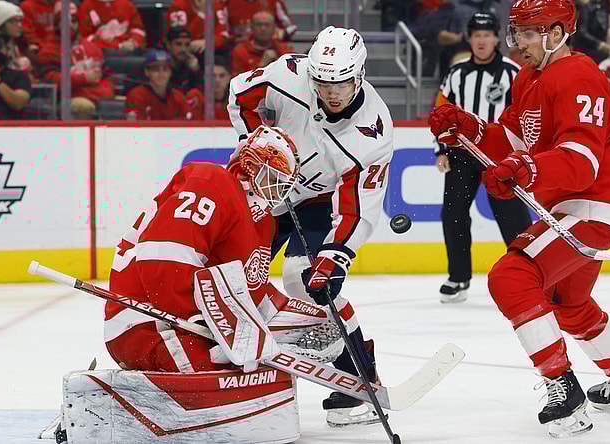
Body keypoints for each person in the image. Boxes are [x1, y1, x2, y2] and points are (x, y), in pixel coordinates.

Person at [428, 0, 610, 438]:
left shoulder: (580, 76)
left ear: (557, 33)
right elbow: (513, 138)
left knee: (511, 277)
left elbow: (582, 161)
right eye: (517, 33)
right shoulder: (530, 77)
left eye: (529, 34)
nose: (519, 43)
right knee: (568, 304)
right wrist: (468, 127)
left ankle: (562, 388)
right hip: (571, 204)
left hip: (597, 202)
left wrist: (527, 169)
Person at [229, 26, 394, 427]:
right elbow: (239, 94)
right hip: (266, 189)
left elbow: (358, 210)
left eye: (340, 83)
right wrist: (259, 142)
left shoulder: (373, 132)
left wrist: (334, 257)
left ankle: (357, 371)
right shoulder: (289, 74)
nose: (331, 92)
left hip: (316, 201)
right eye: (322, 82)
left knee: (306, 281)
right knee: (233, 276)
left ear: (359, 75)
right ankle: (229, 370)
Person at [106, 124, 343, 376]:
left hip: (192, 325)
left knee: (261, 372)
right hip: (147, 323)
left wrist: (306, 319)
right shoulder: (210, 181)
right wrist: (207, 324)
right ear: (250, 165)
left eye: (283, 184)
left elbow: (251, 292)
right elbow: (165, 261)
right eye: (274, 178)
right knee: (238, 375)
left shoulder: (262, 222)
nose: (279, 190)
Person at [434, 12, 532, 304]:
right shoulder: (456, 73)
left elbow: (526, 115)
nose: (481, 40)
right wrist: (441, 149)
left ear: (496, 38)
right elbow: (440, 114)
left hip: (501, 157)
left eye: (487, 34)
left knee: (513, 217)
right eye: (476, 35)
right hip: (462, 154)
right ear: (470, 38)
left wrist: (522, 153)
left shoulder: (514, 73)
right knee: (453, 214)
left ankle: (531, 274)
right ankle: (459, 276)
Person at [38, 0, 113, 120]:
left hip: (95, 95)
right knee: (83, 106)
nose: (70, 25)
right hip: (68, 98)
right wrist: (83, 78)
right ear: (57, 24)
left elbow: (106, 76)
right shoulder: (48, 51)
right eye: (64, 21)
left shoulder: (92, 47)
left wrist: (107, 92)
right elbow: (52, 81)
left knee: (117, 105)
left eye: (73, 21)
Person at [124, 49, 189, 120]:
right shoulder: (136, 96)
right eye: (156, 69)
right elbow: (135, 127)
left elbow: (186, 126)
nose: (161, 74)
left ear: (170, 72)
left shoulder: (178, 97)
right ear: (147, 72)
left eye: (165, 69)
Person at [231, 10, 292, 76]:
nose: (263, 28)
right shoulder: (240, 51)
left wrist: (278, 62)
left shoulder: (284, 49)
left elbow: (292, 75)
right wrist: (262, 65)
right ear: (251, 27)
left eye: (267, 25)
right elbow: (239, 83)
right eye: (259, 24)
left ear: (274, 28)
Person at [77, 0, 145, 52]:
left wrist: (133, 41)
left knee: (152, 55)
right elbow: (86, 37)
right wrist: (117, 45)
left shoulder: (127, 4)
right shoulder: (86, 5)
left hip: (129, 50)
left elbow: (138, 30)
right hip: (101, 52)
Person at [186, 54, 231, 120]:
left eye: (222, 76)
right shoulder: (196, 96)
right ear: (205, 78)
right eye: (213, 76)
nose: (217, 80)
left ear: (229, 78)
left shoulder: (236, 99)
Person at [163, 25, 202, 94]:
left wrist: (196, 71)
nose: (183, 49)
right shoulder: (160, 67)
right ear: (168, 45)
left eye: (187, 45)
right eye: (178, 44)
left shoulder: (191, 65)